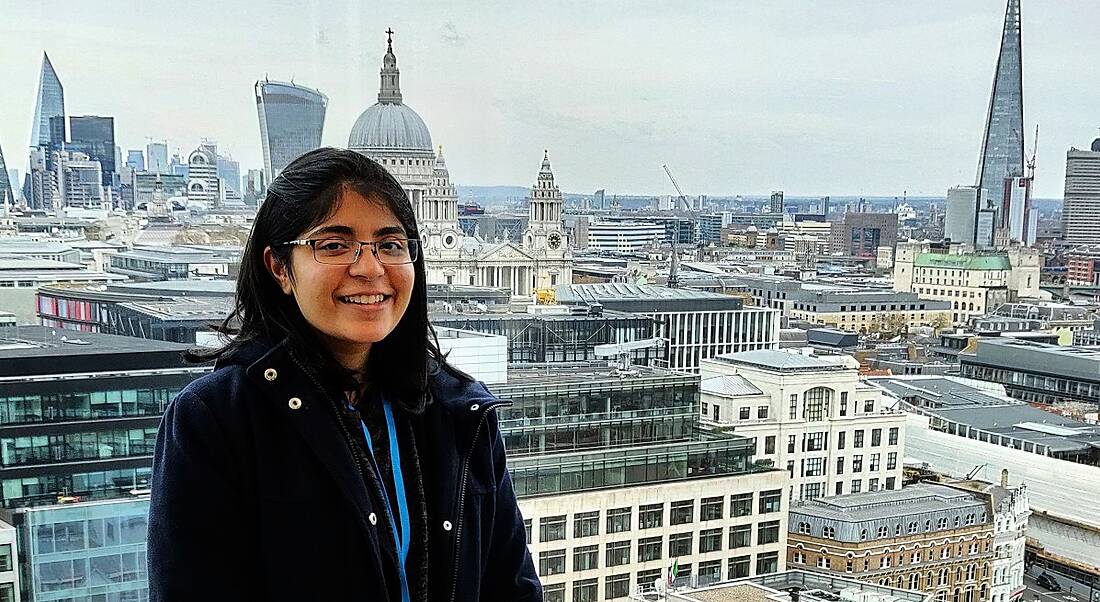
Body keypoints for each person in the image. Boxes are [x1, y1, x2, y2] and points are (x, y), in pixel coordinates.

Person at [148, 148, 542, 601]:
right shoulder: (216, 419)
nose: (370, 268)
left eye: (390, 245)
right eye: (334, 244)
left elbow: (510, 586)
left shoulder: (460, 411)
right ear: (279, 267)